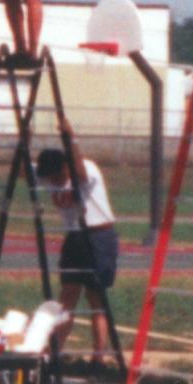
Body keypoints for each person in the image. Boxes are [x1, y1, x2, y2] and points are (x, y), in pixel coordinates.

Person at [36, 146, 116, 361]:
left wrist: (70, 138)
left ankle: (98, 358)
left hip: (98, 235)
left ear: (66, 167)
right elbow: (25, 172)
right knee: (67, 296)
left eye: (59, 176)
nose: (55, 182)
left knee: (95, 298)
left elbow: (79, 172)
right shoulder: (49, 174)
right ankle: (54, 354)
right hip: (74, 237)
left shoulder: (86, 169)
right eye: (51, 179)